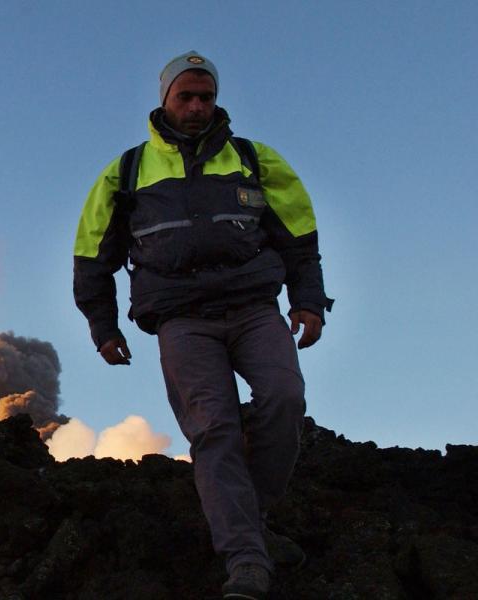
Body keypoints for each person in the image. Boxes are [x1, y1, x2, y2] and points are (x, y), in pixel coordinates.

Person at [72, 51, 333, 600]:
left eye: (205, 97)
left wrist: (308, 301)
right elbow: (92, 255)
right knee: (213, 428)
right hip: (181, 320)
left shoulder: (253, 159)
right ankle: (246, 560)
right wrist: (104, 327)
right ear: (164, 99)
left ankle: (247, 520)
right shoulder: (127, 171)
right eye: (184, 96)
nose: (196, 107)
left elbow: (299, 237)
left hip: (255, 309)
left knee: (284, 399)